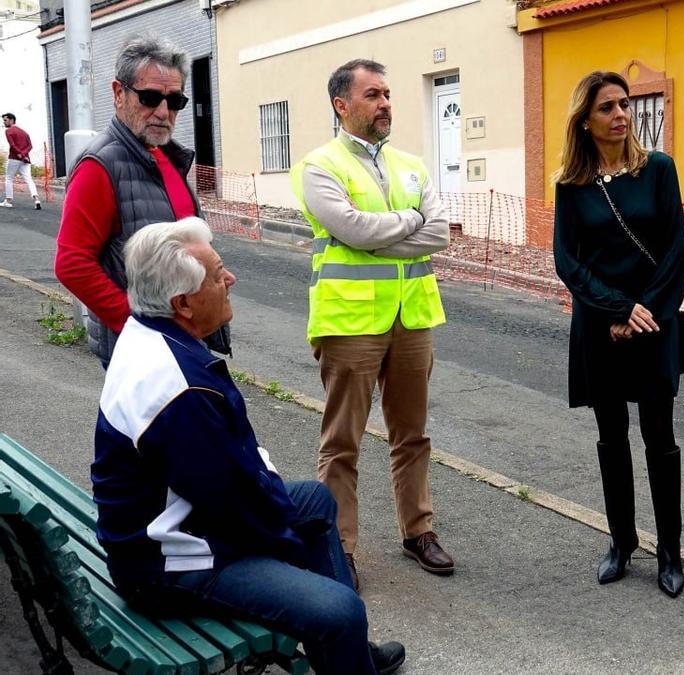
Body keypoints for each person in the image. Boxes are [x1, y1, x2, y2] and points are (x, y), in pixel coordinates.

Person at [92, 217, 406, 674]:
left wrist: (278, 514)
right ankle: (342, 641)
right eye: (218, 274)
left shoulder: (149, 334)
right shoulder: (181, 390)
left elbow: (231, 479)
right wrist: (286, 545)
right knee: (339, 609)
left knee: (316, 501)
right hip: (163, 565)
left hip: (175, 523)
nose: (230, 279)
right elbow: (234, 506)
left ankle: (344, 652)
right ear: (182, 303)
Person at [292, 58, 453, 589]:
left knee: (413, 435)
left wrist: (382, 232)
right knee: (343, 442)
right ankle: (338, 549)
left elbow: (440, 235)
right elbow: (350, 228)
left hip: (412, 317)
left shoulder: (412, 165)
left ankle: (418, 531)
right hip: (350, 322)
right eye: (373, 95)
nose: (385, 103)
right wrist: (409, 223)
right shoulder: (320, 164)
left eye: (388, 93)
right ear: (342, 104)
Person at [552, 71, 684, 598]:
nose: (620, 115)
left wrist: (644, 311)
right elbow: (568, 261)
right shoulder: (571, 184)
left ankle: (670, 552)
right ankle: (621, 542)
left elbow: (676, 250)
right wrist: (615, 309)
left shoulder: (657, 169)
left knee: (660, 437)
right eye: (607, 108)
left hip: (654, 321)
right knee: (611, 437)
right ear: (585, 121)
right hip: (600, 326)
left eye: (625, 104)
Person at [54, 34, 230, 368]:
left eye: (175, 101)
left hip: (184, 340)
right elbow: (71, 263)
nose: (163, 112)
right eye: (150, 98)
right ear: (119, 93)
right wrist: (137, 326)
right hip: (143, 351)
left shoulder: (165, 157)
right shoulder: (100, 166)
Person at [2, 112, 41, 210]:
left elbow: (12, 145)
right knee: (29, 179)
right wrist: (24, 155)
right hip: (25, 159)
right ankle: (36, 199)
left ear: (11, 120)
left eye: (5, 120)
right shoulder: (24, 132)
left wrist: (20, 154)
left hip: (14, 158)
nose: (4, 122)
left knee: (9, 178)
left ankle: (8, 200)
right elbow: (30, 146)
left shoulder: (9, 131)